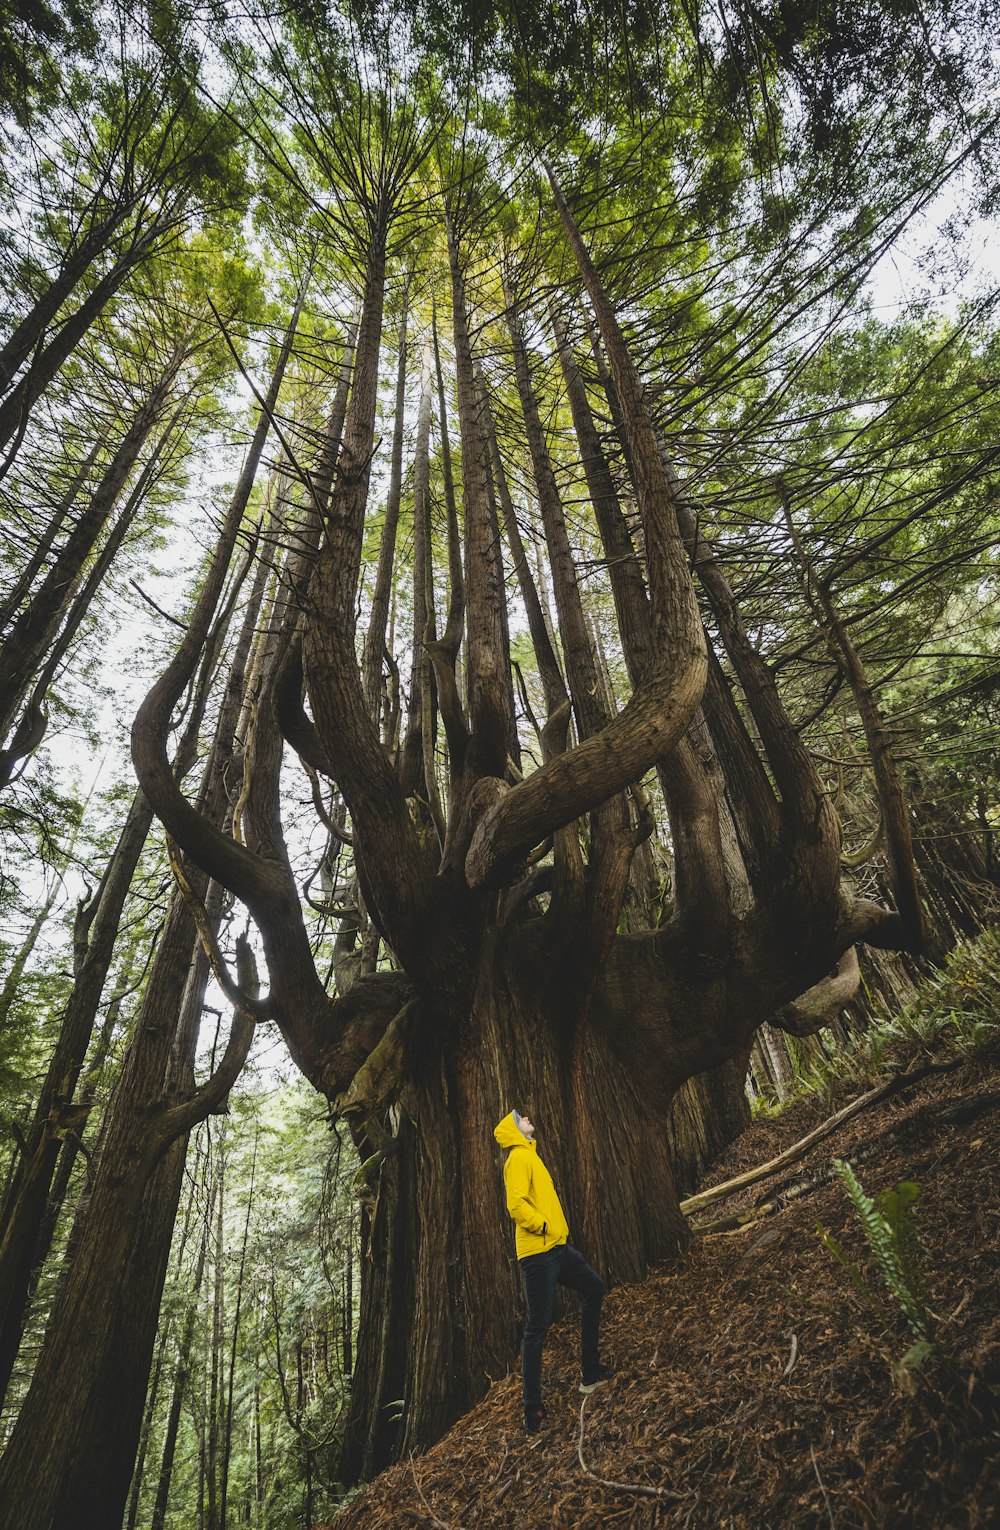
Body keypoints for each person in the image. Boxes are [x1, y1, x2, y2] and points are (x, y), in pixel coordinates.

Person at [493, 1108, 612, 1433]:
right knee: (536, 1327)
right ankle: (532, 1409)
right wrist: (543, 1226)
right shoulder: (516, 1158)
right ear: (517, 1131)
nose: (529, 1118)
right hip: (537, 1254)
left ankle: (589, 1373)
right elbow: (515, 1205)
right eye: (523, 1119)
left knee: (594, 1287)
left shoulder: (531, 1155)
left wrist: (554, 1232)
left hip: (558, 1248)